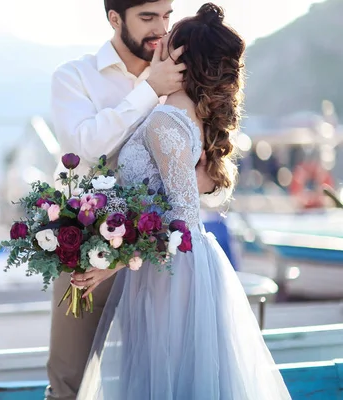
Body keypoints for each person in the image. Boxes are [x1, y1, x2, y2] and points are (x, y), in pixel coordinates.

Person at [73, 4, 291, 399]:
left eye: (167, 46)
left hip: (170, 275)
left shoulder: (163, 122)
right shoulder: (185, 117)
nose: (157, 48)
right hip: (174, 267)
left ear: (182, 61)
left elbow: (182, 221)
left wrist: (112, 265)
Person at [46, 0, 219, 398]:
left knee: (162, 384)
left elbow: (213, 174)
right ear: (114, 18)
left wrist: (206, 182)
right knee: (68, 382)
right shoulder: (74, 77)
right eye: (147, 18)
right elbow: (85, 150)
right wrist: (150, 90)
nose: (160, 28)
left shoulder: (185, 75)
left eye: (166, 16)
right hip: (89, 249)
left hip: (164, 264)